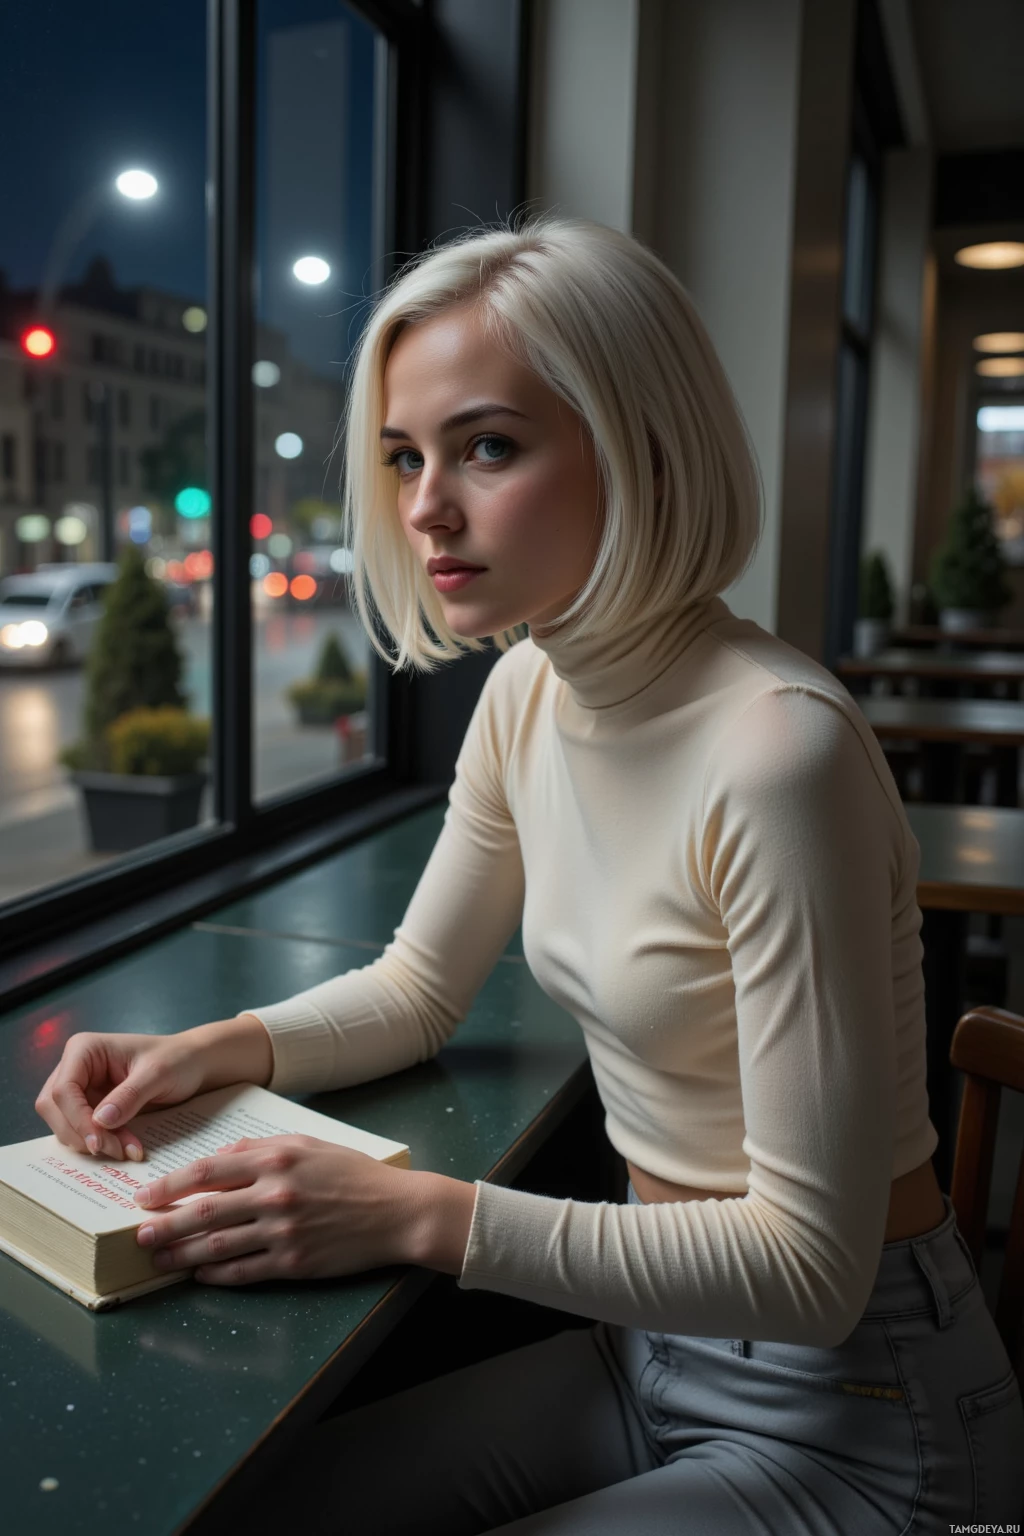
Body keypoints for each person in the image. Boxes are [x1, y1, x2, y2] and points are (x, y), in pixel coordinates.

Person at [35, 216, 1023, 1532]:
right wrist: (209, 1049)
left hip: (862, 1411)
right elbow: (418, 989)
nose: (425, 505)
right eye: (404, 456)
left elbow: (809, 1270)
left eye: (486, 445)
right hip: (650, 1339)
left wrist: (413, 1215)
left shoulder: (781, 755)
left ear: (639, 443)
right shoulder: (527, 693)